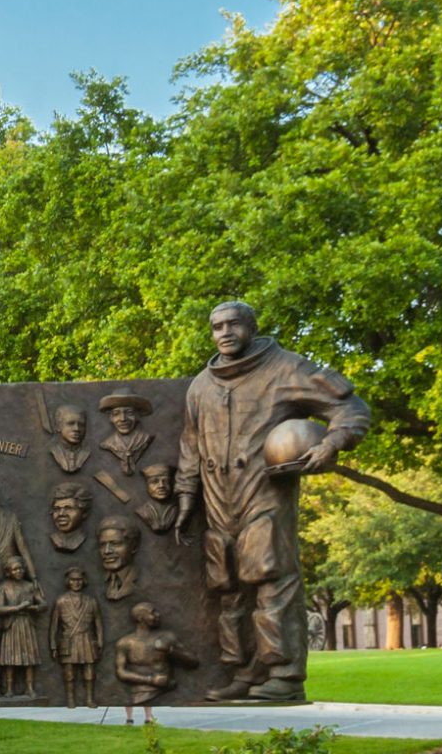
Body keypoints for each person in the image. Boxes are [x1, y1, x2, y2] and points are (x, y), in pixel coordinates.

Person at [175, 300, 370, 702]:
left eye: (233, 324)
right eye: (216, 327)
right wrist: (184, 497)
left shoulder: (287, 368)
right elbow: (190, 447)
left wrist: (331, 443)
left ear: (251, 326)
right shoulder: (200, 386)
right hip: (217, 501)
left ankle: (283, 672)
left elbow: (351, 408)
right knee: (228, 589)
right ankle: (244, 670)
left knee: (270, 579)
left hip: (264, 492)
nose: (224, 332)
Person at [115, 602, 197, 724]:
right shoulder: (125, 643)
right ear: (141, 618)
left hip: (166, 687)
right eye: (152, 612)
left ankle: (147, 718)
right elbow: (121, 672)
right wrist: (150, 680)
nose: (158, 615)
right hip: (140, 692)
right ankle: (131, 718)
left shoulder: (167, 637)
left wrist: (172, 651)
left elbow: (193, 663)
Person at [50, 568, 105, 708]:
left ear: (83, 581)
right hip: (69, 639)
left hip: (87, 639)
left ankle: (89, 699)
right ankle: (70, 699)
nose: (76, 583)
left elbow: (98, 622)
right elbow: (54, 625)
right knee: (69, 672)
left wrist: (100, 640)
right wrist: (53, 645)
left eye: (79, 579)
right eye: (73, 580)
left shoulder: (91, 601)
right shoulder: (61, 601)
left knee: (89, 671)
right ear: (68, 581)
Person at [0, 555, 43, 699]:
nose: (19, 571)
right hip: (11, 625)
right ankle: (9, 689)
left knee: (29, 658)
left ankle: (29, 688)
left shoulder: (29, 586)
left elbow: (43, 604)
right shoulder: (4, 587)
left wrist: (33, 608)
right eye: (15, 569)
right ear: (9, 572)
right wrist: (17, 608)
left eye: (21, 568)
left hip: (26, 624)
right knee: (10, 658)